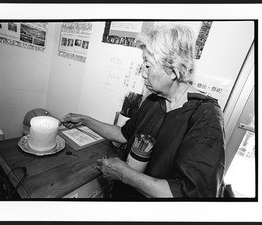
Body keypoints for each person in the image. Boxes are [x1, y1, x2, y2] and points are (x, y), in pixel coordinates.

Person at [62, 24, 225, 198]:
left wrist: (124, 175)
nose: (142, 73)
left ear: (173, 70)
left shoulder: (206, 116)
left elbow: (190, 194)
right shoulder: (154, 100)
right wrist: (85, 120)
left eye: (148, 65)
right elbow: (124, 134)